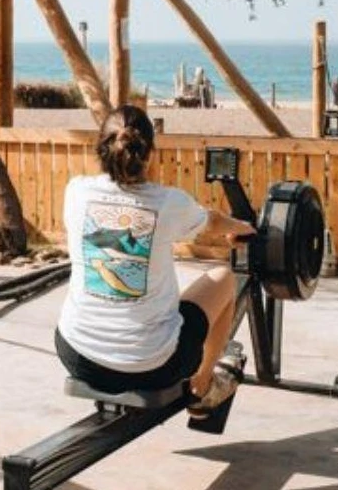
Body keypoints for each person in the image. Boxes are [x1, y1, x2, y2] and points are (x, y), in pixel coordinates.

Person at [54, 105, 256, 417]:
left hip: (77, 354)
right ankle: (202, 388)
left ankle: (199, 385)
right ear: (151, 154)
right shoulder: (168, 203)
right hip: (152, 367)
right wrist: (242, 229)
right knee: (224, 279)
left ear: (101, 149)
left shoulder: (76, 191)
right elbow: (213, 222)